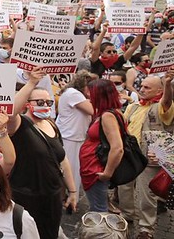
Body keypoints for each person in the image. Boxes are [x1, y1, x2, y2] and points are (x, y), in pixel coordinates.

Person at [6, 67, 78, 239]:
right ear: (27, 104)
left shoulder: (52, 124)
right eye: (39, 102)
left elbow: (63, 159)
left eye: (48, 102)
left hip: (52, 195)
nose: (45, 105)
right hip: (25, 195)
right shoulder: (19, 125)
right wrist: (31, 82)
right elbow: (10, 113)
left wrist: (73, 191)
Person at [118, 73, 172, 239]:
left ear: (159, 90)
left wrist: (168, 84)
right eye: (141, 86)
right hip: (130, 155)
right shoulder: (133, 106)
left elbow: (167, 101)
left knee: (146, 196)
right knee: (124, 188)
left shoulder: (163, 106)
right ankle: (127, 216)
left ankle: (146, 229)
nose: (142, 89)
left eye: (147, 87)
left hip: (150, 158)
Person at [79, 78, 125, 212]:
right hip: (93, 167)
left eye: (91, 95)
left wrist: (107, 173)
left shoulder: (108, 116)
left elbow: (118, 148)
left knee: (99, 210)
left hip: (96, 169)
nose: (89, 99)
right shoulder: (111, 113)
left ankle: (100, 233)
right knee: (99, 205)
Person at [56, 71, 95, 194]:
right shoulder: (74, 94)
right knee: (71, 171)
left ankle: (66, 197)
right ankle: (70, 198)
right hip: (70, 137)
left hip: (73, 135)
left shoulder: (72, 93)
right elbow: (92, 110)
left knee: (70, 170)